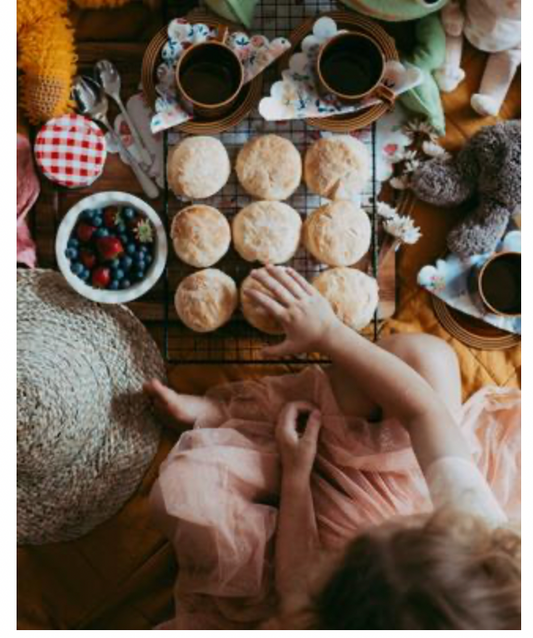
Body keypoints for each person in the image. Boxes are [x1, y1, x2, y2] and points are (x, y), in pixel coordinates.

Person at [145, 266, 521, 630]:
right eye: (412, 531)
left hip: (311, 547)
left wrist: (296, 478)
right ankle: (246, 411)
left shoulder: (318, 616)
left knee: (181, 493)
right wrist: (328, 334)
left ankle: (236, 422)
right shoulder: (485, 545)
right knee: (426, 358)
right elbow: (423, 410)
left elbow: (294, 589)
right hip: (413, 496)